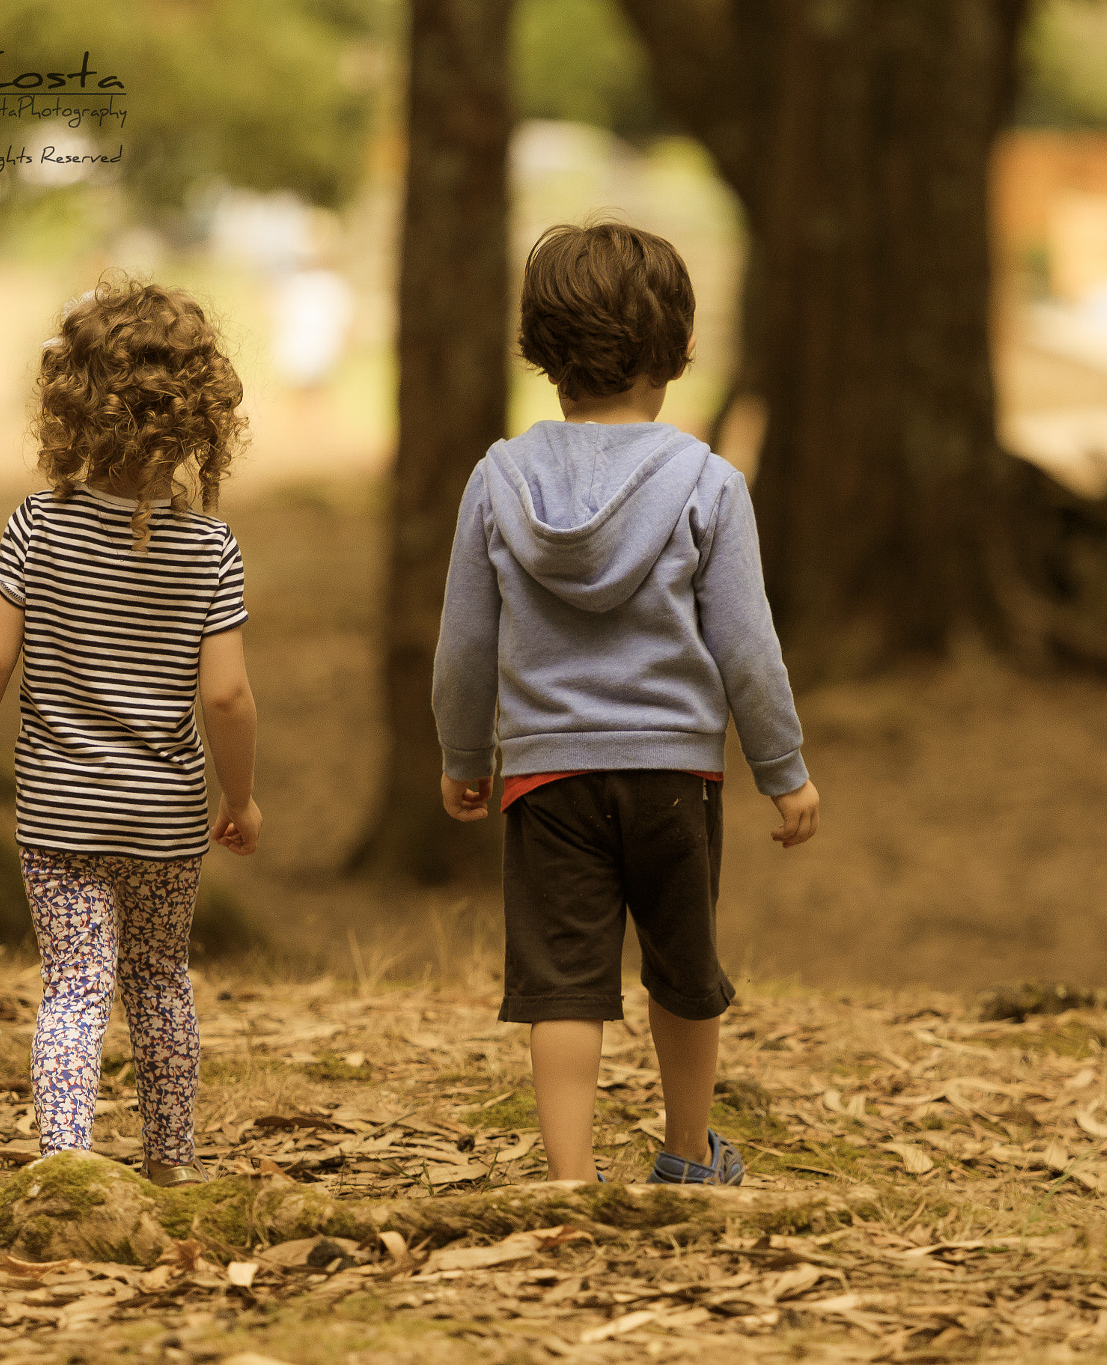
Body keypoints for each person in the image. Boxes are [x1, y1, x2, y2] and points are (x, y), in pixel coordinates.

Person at [432, 221, 821, 1186]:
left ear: (540, 349)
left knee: (561, 984)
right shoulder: (709, 483)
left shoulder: (498, 481)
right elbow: (748, 648)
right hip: (673, 778)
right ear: (682, 350)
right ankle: (687, 1156)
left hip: (546, 775)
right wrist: (785, 770)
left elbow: (465, 645)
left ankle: (570, 1181)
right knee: (685, 973)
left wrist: (463, 756)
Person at [0, 276, 262, 1189]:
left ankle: (67, 1162)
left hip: (62, 816)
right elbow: (229, 699)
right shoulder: (211, 548)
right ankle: (172, 1160)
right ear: (199, 416)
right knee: (161, 980)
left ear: (71, 405)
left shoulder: (38, 528)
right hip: (165, 818)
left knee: (76, 985)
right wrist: (238, 797)